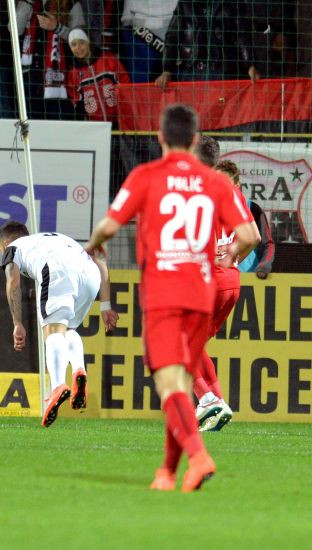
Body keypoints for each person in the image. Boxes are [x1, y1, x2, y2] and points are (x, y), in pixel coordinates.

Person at [84, 104, 258, 491]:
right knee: (179, 380)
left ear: (161, 138)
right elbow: (249, 236)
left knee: (169, 383)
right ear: (195, 139)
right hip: (203, 292)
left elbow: (109, 225)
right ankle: (166, 472)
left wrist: (93, 245)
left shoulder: (147, 175)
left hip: (165, 294)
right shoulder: (217, 183)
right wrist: (229, 257)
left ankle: (199, 455)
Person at [0, 221, 118, 427]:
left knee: (53, 330)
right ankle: (79, 369)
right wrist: (105, 305)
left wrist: (17, 322)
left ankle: (57, 386)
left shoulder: (12, 248)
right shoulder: (53, 238)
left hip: (57, 269)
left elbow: (13, 281)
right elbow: (100, 261)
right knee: (69, 329)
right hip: (89, 273)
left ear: (5, 243)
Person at [193, 159, 260, 432]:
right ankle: (219, 404)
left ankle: (207, 400)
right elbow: (254, 236)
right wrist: (232, 257)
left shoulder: (202, 193)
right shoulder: (237, 196)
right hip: (232, 280)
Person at [156, 0, 258, 90]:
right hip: (192, 70)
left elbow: (243, 35)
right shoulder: (185, 3)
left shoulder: (233, 2)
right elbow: (173, 36)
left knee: (222, 109)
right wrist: (167, 70)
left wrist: (250, 66)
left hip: (223, 71)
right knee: (192, 110)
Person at [65, 28, 130, 123]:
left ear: (89, 42)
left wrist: (124, 110)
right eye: (73, 45)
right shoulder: (73, 72)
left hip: (118, 119)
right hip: (94, 125)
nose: (78, 48)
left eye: (82, 43)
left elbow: (125, 84)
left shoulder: (108, 59)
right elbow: (75, 98)